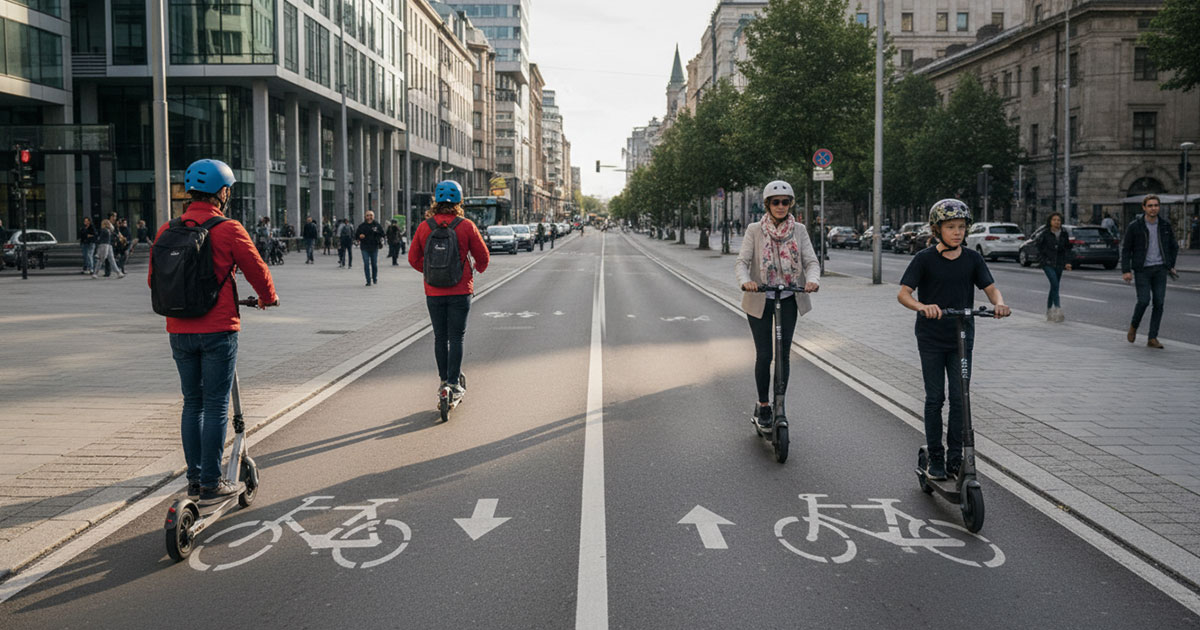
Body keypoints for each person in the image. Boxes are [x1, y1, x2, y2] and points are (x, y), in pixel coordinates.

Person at [151, 158, 278, 502]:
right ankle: (211, 481)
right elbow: (257, 268)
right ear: (222, 192)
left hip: (178, 329)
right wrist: (268, 298)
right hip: (218, 328)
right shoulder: (229, 228)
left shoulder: (167, 230)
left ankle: (194, 479)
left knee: (192, 403)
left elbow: (154, 280)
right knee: (217, 403)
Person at [897, 199, 1010, 481]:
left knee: (961, 398)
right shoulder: (924, 259)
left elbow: (991, 288)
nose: (957, 232)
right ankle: (935, 455)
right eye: (950, 227)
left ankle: (955, 455)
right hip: (931, 337)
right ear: (937, 229)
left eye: (961, 227)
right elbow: (904, 293)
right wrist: (922, 307)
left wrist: (999, 304)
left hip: (961, 336)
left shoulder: (973, 259)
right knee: (936, 398)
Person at [734, 180, 820, 430]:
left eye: (785, 202)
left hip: (789, 297)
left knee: (783, 356)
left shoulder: (800, 230)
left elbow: (811, 262)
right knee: (765, 354)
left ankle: (779, 404)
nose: (780, 206)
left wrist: (812, 281)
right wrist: (746, 281)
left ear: (791, 204)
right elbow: (742, 262)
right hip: (761, 298)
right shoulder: (754, 230)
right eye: (775, 202)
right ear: (767, 205)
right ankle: (763, 405)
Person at [408, 180, 489, 401]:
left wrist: (430, 272)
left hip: (433, 292)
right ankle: (454, 384)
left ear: (436, 200)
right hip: (460, 291)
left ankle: (443, 380)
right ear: (459, 201)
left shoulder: (425, 227)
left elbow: (413, 258)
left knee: (439, 337)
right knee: (457, 337)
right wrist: (475, 270)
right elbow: (483, 257)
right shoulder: (466, 225)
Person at [1121, 194, 1178, 349]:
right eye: (1150, 206)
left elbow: (1174, 246)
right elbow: (1126, 250)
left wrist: (1170, 264)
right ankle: (1134, 326)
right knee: (1144, 301)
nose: (1154, 208)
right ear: (1144, 207)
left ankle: (1152, 338)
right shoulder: (1135, 226)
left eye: (1156, 205)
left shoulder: (1165, 225)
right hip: (1142, 270)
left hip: (1160, 269)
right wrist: (1126, 270)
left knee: (1159, 302)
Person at [1036, 212, 1072, 322]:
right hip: (1048, 263)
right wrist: (1042, 261)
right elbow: (1039, 248)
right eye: (1054, 220)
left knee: (1054, 287)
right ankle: (1057, 309)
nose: (1057, 222)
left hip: (1059, 263)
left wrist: (1067, 262)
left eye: (1059, 220)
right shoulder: (1045, 234)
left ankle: (1049, 311)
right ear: (1050, 222)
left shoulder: (1064, 234)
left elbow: (1067, 249)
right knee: (1055, 284)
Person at [356, 210, 385, 286]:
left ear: (373, 216)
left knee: (374, 264)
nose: (369, 217)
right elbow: (356, 235)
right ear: (365, 217)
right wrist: (359, 236)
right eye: (368, 215)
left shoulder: (377, 225)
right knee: (366, 264)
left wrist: (378, 236)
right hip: (364, 247)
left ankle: (374, 278)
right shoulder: (362, 226)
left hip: (374, 247)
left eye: (371, 215)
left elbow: (382, 234)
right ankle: (368, 280)